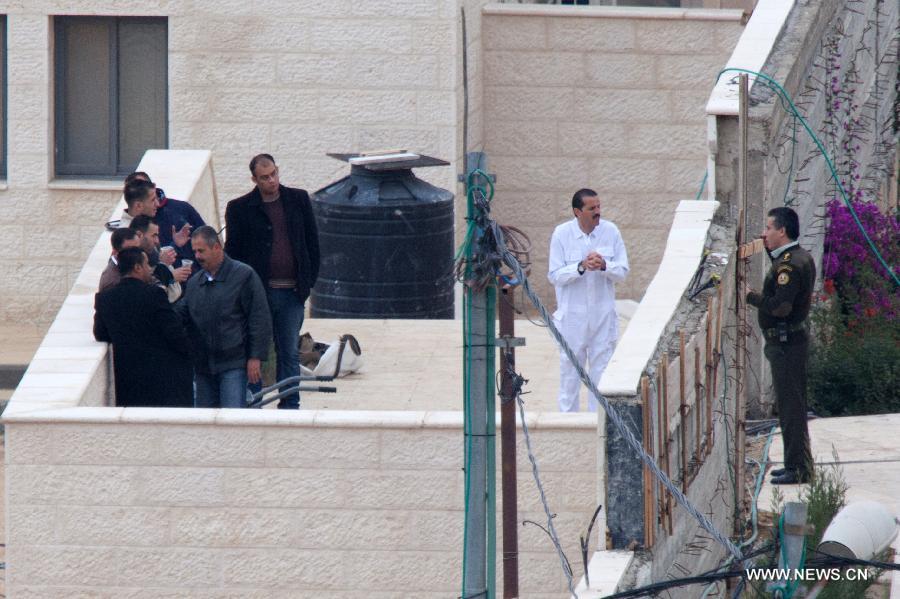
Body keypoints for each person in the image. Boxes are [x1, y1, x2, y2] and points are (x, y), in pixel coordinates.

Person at [224, 154, 319, 409]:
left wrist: (307, 284)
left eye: (274, 173)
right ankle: (254, 404)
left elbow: (312, 244)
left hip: (292, 293)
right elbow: (233, 253)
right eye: (265, 177)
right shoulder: (240, 208)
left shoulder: (298, 200)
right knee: (256, 352)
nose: (272, 180)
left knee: (288, 351)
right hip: (258, 296)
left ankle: (290, 405)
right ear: (254, 179)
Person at [746, 207, 815, 485]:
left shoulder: (788, 265)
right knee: (790, 406)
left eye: (769, 228)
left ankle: (798, 469)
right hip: (789, 343)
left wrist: (751, 297)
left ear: (782, 231)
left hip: (787, 344)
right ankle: (796, 463)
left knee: (791, 408)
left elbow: (782, 306)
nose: (765, 233)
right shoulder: (796, 257)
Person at [548, 188, 629, 412]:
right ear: (577, 212)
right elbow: (555, 276)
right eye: (591, 208)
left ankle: (598, 424)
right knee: (570, 373)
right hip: (572, 319)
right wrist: (581, 267)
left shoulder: (610, 231)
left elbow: (622, 271)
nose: (597, 212)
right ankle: (567, 422)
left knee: (601, 374)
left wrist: (604, 265)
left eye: (599, 207)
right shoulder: (561, 234)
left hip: (602, 317)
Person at [177, 226, 272, 409]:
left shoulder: (244, 276)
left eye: (201, 250)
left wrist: (255, 357)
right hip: (203, 366)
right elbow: (183, 314)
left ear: (217, 248)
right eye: (194, 251)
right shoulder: (195, 283)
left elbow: (259, 317)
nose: (197, 256)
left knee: (232, 420)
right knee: (205, 423)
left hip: (233, 363)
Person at [93, 247, 193, 408]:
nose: (149, 270)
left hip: (127, 382)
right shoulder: (154, 295)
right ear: (137, 267)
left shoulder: (105, 299)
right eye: (146, 264)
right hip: (164, 382)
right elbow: (174, 333)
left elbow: (100, 333)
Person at [125, 172, 205, 267]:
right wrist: (166, 270)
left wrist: (175, 244)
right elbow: (138, 274)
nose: (157, 204)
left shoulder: (181, 208)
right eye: (152, 200)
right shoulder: (125, 235)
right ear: (138, 204)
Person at [129, 215, 191, 303]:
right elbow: (146, 291)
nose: (157, 240)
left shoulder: (151, 251)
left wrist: (175, 245)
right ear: (139, 235)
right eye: (153, 236)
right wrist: (170, 276)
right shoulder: (131, 261)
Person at [98, 227, 141, 292]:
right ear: (115, 252)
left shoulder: (136, 262)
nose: (137, 253)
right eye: (130, 250)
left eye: (138, 249)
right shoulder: (112, 281)